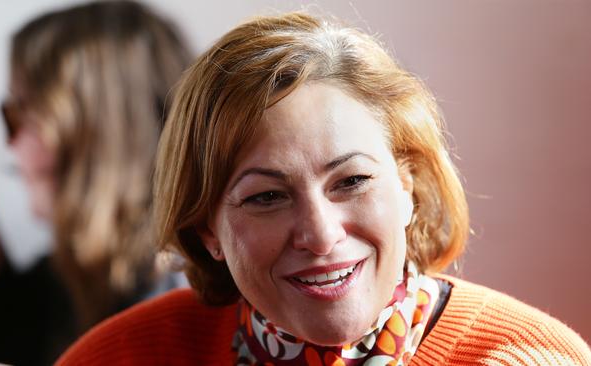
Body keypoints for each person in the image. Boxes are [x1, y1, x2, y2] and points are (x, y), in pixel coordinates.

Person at [56, 12, 591, 365]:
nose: (320, 234)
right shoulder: (126, 356)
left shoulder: (526, 356)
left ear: (407, 186)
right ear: (207, 229)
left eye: (352, 181)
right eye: (266, 197)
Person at [0, 1, 190, 365]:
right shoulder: (98, 266)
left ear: (86, 130)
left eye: (15, 115)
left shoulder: (176, 291)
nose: (10, 143)